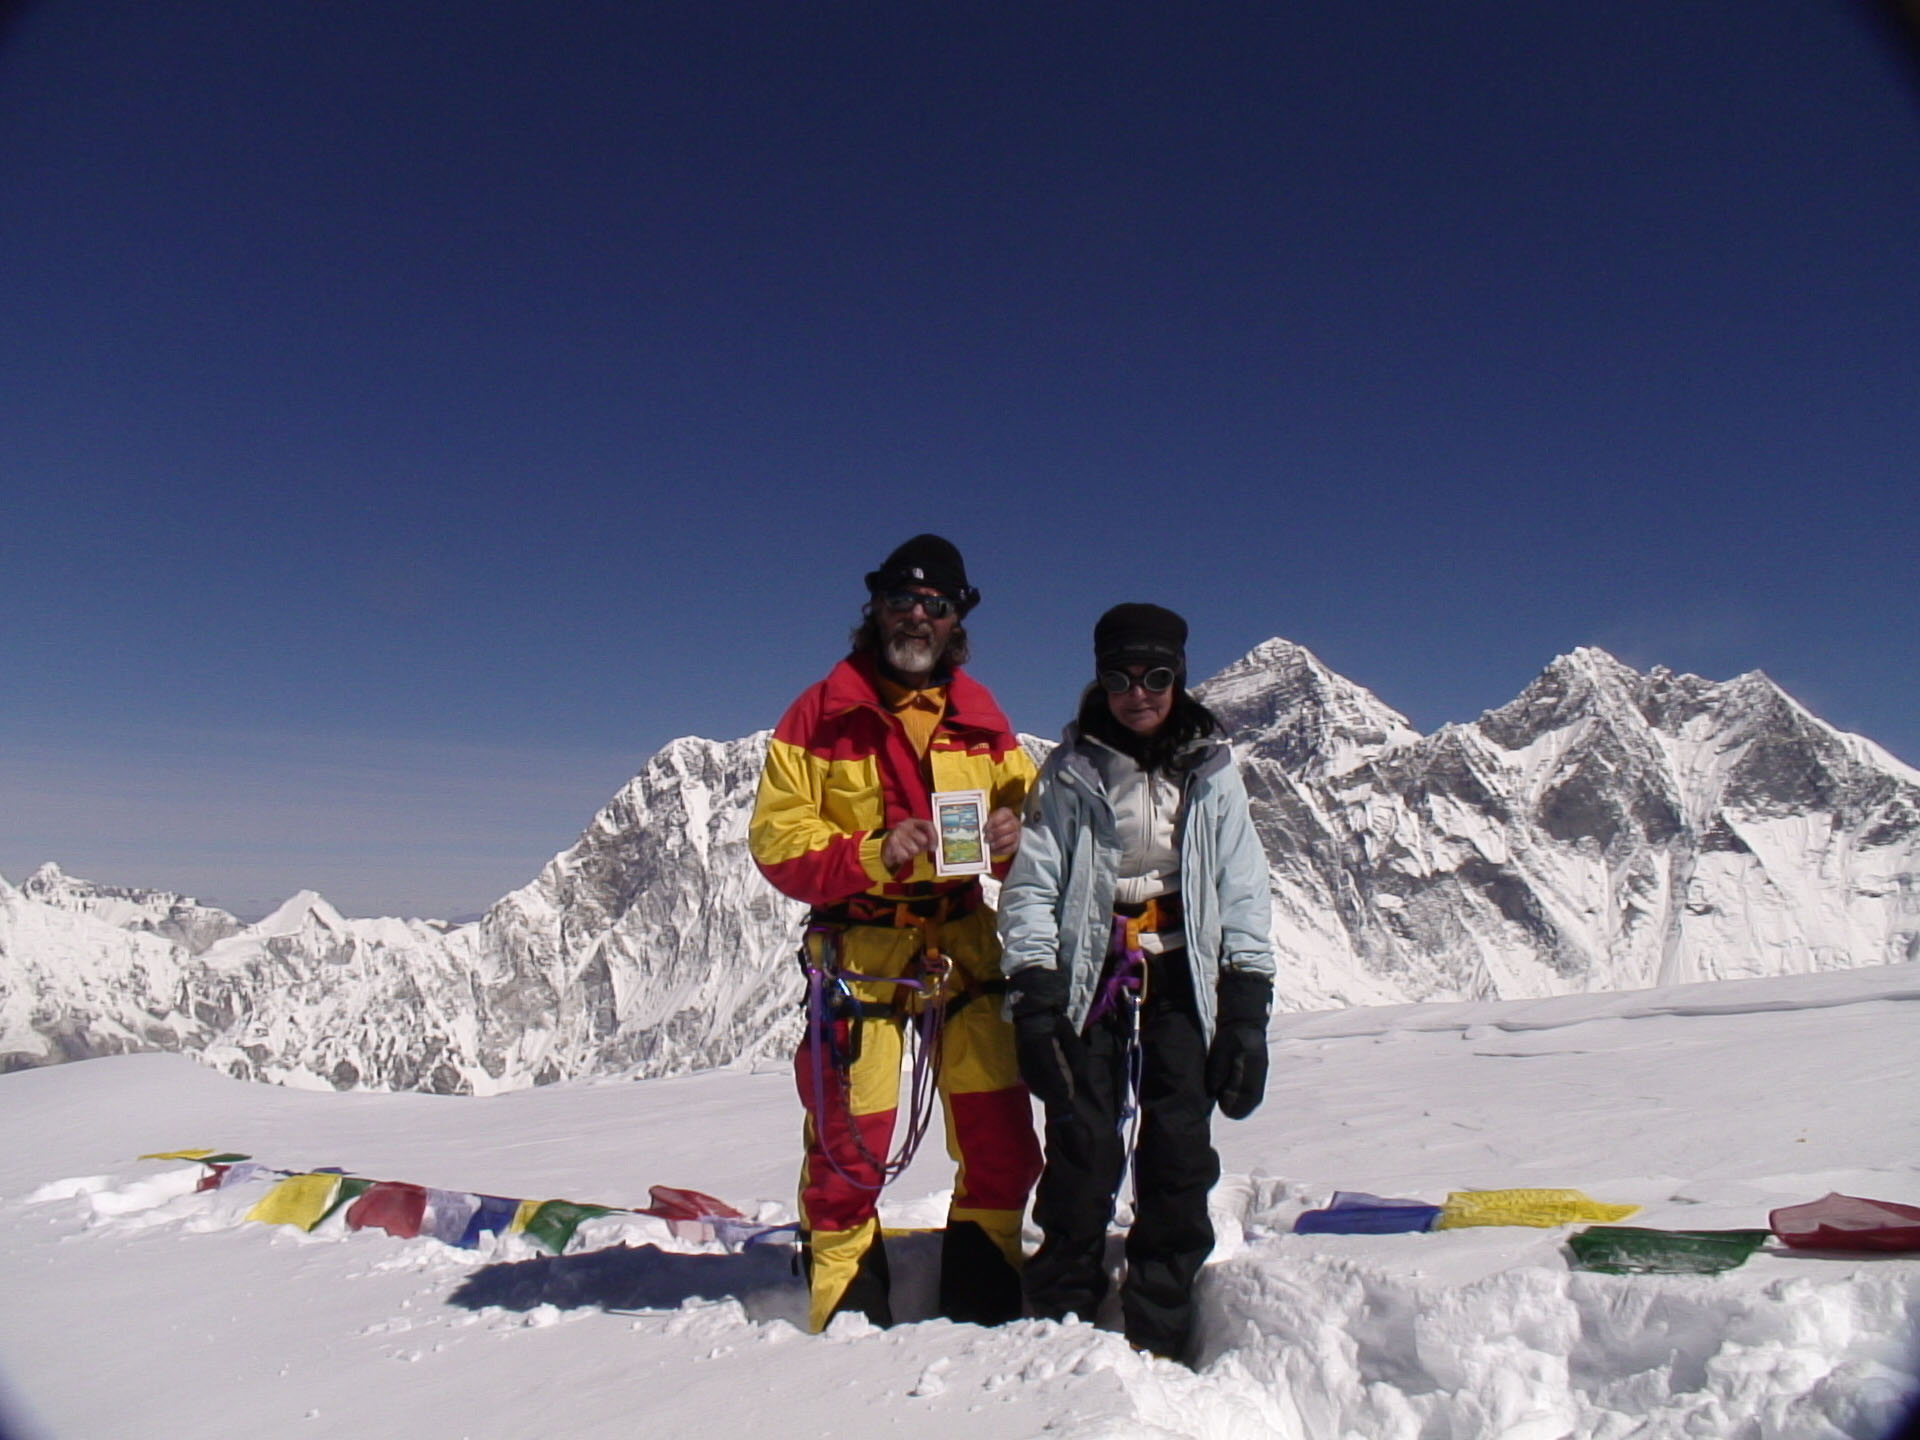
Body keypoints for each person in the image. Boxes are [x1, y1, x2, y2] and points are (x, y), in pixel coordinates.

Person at [749, 534, 1043, 1334]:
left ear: (956, 621)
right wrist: (871, 856)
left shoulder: (985, 723)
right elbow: (778, 842)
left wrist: (1020, 841)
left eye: (935, 605)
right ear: (875, 607)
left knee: (1000, 1134)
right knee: (854, 1140)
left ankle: (986, 1263)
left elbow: (1043, 846)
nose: (918, 617)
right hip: (864, 950)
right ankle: (842, 1281)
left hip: (963, 941)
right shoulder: (818, 716)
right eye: (904, 601)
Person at [997, 602, 1275, 1362]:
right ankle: (1062, 1313)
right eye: (1120, 676)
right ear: (1100, 679)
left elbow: (1241, 883)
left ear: (1179, 679)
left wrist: (1246, 1004)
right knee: (1084, 1141)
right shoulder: (1072, 768)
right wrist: (1033, 987)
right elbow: (1033, 884)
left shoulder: (1212, 772)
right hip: (1095, 964)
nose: (1138, 691)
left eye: (1155, 676)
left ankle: (1158, 1317)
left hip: (1183, 965)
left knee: (1179, 1145)